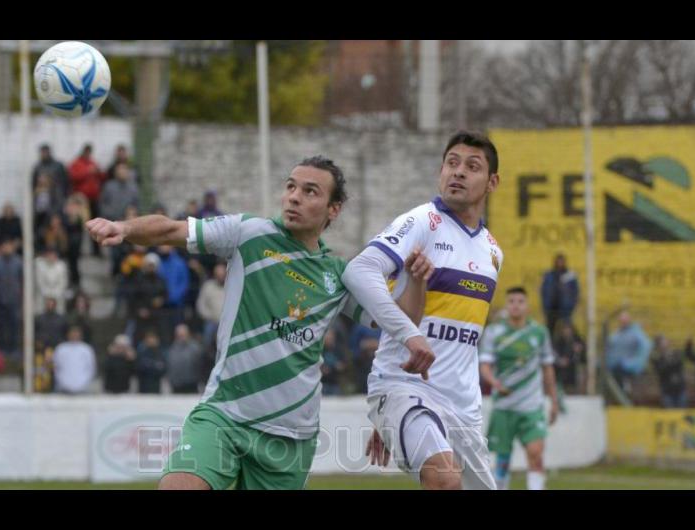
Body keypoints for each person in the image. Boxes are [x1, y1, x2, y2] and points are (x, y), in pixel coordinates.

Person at [86, 154, 434, 490]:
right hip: (224, 414)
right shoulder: (249, 233)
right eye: (291, 187)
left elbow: (400, 322)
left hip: (290, 437)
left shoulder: (338, 274)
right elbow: (171, 230)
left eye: (310, 191)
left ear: (333, 209)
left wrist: (416, 281)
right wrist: (124, 227)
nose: (294, 197)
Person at [345, 131, 503, 490]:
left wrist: (385, 423)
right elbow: (359, 270)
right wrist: (388, 406)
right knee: (445, 480)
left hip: (463, 408)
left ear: (492, 182)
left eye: (472, 166)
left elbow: (456, 335)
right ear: (440, 171)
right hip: (404, 388)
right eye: (452, 163)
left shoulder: (494, 252)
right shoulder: (422, 222)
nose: (458, 172)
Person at [479, 287, 559, 490]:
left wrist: (554, 401)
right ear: (507, 306)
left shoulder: (539, 333)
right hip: (504, 406)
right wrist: (494, 382)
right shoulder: (494, 332)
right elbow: (485, 365)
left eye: (520, 301)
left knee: (536, 453)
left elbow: (548, 368)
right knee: (503, 460)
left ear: (528, 306)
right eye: (511, 301)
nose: (515, 305)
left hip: (531, 406)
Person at [605, 310, 652, 398]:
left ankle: (625, 393)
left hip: (626, 367)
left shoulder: (635, 332)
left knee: (621, 384)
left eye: (624, 321)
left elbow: (646, 346)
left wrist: (635, 363)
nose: (622, 323)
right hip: (613, 366)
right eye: (621, 321)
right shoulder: (617, 333)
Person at [69, 144, 105, 256]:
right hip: (81, 201)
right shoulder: (76, 163)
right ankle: (78, 251)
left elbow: (102, 177)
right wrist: (87, 172)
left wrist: (98, 171)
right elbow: (72, 177)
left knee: (96, 226)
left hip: (94, 199)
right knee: (80, 226)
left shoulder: (93, 162)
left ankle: (96, 250)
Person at [0, 239, 23, 357]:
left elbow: (22, 279)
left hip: (14, 299)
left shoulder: (19, 262)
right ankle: (2, 348)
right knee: (1, 326)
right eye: (5, 246)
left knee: (14, 326)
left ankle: (13, 349)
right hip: (0, 299)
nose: (7, 249)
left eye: (9, 246)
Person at [156, 245, 190, 346]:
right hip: (161, 306)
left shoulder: (179, 263)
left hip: (176, 305)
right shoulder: (157, 263)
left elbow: (184, 283)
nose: (163, 247)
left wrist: (170, 298)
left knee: (177, 331)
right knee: (163, 333)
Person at [540, 253, 579, 337]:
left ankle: (566, 346)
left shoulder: (570, 275)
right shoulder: (549, 275)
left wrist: (572, 304)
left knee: (566, 329)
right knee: (550, 330)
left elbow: (575, 292)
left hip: (566, 309)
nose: (560, 263)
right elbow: (543, 291)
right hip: (551, 308)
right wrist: (545, 305)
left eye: (561, 261)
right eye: (558, 261)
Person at [196, 261, 226, 367]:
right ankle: (206, 360)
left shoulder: (231, 284)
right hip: (212, 321)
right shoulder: (208, 286)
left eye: (222, 274)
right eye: (218, 274)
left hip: (228, 322)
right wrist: (210, 316)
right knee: (207, 340)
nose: (220, 277)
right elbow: (201, 305)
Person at [52, 325, 96, 394]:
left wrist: (84, 382)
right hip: (63, 388)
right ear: (68, 335)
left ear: (80, 335)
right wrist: (61, 382)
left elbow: (91, 367)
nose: (74, 336)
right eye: (72, 334)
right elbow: (56, 367)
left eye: (76, 334)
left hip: (82, 388)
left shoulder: (86, 349)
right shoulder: (61, 348)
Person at [651, 334, 687, 408]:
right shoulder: (657, 358)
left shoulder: (676, 352)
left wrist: (669, 361)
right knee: (670, 414)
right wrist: (667, 360)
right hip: (667, 391)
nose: (664, 344)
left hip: (680, 388)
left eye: (665, 341)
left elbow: (679, 364)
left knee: (682, 413)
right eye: (661, 342)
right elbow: (660, 371)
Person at [166, 323, 204, 394]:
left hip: (191, 384)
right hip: (176, 385)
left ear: (188, 334)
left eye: (183, 334)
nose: (181, 337)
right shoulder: (172, 348)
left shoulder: (196, 348)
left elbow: (200, 365)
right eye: (179, 335)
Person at [552, 319, 586, 394]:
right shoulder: (558, 341)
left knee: (580, 371)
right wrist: (560, 360)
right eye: (565, 329)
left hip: (574, 366)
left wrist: (579, 351)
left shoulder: (578, 340)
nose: (567, 331)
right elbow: (554, 354)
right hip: (560, 367)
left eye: (568, 329)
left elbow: (583, 357)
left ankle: (578, 391)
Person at [34, 247, 69, 314]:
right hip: (43, 296)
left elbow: (63, 283)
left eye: (53, 255)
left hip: (57, 296)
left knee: (59, 309)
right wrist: (48, 296)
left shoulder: (61, 266)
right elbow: (40, 283)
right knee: (40, 307)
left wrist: (53, 296)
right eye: (49, 255)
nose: (51, 257)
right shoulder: (40, 265)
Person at [136, 329, 166, 394]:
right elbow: (139, 368)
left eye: (153, 339)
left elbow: (162, 369)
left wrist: (149, 366)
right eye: (149, 339)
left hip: (156, 385)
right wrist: (153, 366)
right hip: (143, 385)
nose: (151, 341)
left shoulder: (160, 353)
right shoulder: (141, 352)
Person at [321, 329, 347, 396]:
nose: (329, 340)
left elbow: (344, 365)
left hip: (335, 383)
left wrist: (338, 366)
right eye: (327, 338)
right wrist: (321, 369)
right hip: (322, 383)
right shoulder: (319, 351)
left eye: (330, 338)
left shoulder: (339, 350)